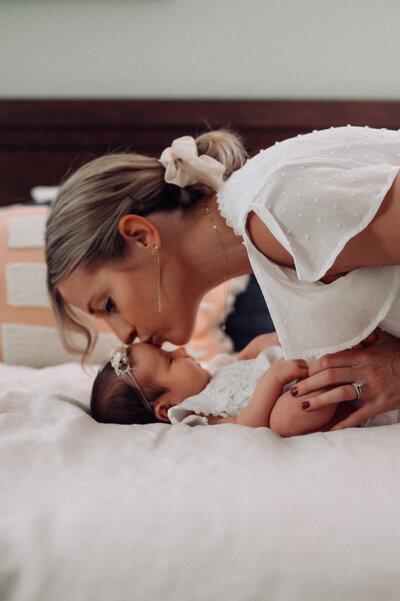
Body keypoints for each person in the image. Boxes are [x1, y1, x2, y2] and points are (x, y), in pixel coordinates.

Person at [45, 126, 400, 429]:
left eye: (108, 304)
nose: (124, 334)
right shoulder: (263, 231)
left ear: (141, 236)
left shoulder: (274, 214)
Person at [91, 335, 351, 436]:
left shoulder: (214, 370)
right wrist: (271, 380)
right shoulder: (195, 413)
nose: (181, 350)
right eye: (170, 360)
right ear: (166, 408)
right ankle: (335, 396)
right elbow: (247, 426)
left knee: (267, 343)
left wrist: (259, 346)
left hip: (293, 367)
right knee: (284, 417)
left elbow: (242, 368)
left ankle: (332, 355)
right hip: (289, 393)